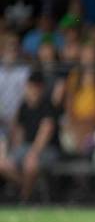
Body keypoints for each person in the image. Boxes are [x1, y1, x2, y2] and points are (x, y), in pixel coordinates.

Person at [0, 72, 60, 201]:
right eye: (30, 87)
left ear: (41, 88)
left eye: (35, 87)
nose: (32, 91)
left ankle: (24, 199)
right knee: (3, 164)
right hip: (25, 147)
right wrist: (14, 151)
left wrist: (34, 152)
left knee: (30, 164)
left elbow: (46, 130)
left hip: (47, 149)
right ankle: (30, 188)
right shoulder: (23, 106)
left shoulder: (48, 105)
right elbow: (19, 132)